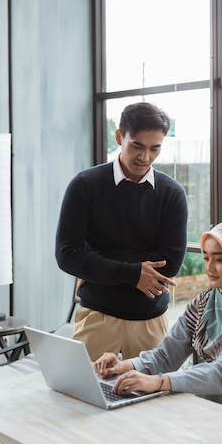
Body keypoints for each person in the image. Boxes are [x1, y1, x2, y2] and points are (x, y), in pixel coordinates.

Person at [94, 220, 222, 425]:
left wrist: (159, 382)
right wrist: (124, 366)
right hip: (210, 422)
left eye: (220, 259)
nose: (209, 267)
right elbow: (165, 356)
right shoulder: (205, 302)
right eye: (206, 257)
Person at [55, 101, 188, 361]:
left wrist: (98, 262)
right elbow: (67, 255)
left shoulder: (172, 193)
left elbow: (169, 264)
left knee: (153, 400)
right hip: (96, 318)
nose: (145, 157)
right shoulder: (85, 185)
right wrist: (134, 273)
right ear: (119, 136)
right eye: (137, 145)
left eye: (155, 148)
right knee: (83, 397)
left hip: (150, 322)